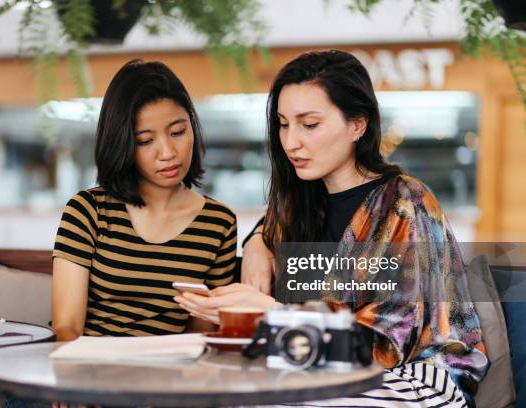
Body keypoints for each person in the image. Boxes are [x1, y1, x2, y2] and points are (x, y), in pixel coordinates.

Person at [175, 50, 488, 407]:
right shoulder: (299, 204)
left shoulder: (405, 202)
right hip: (318, 371)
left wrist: (270, 314)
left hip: (417, 376)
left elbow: (383, 347)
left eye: (309, 125)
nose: (291, 142)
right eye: (283, 123)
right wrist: (259, 243)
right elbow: (271, 232)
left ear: (357, 124)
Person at [52, 60, 237, 341]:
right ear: (122, 143)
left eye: (178, 132)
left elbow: (204, 332)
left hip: (170, 377)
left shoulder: (218, 223)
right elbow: (67, 329)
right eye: (145, 140)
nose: (167, 152)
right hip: (91, 371)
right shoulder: (88, 211)